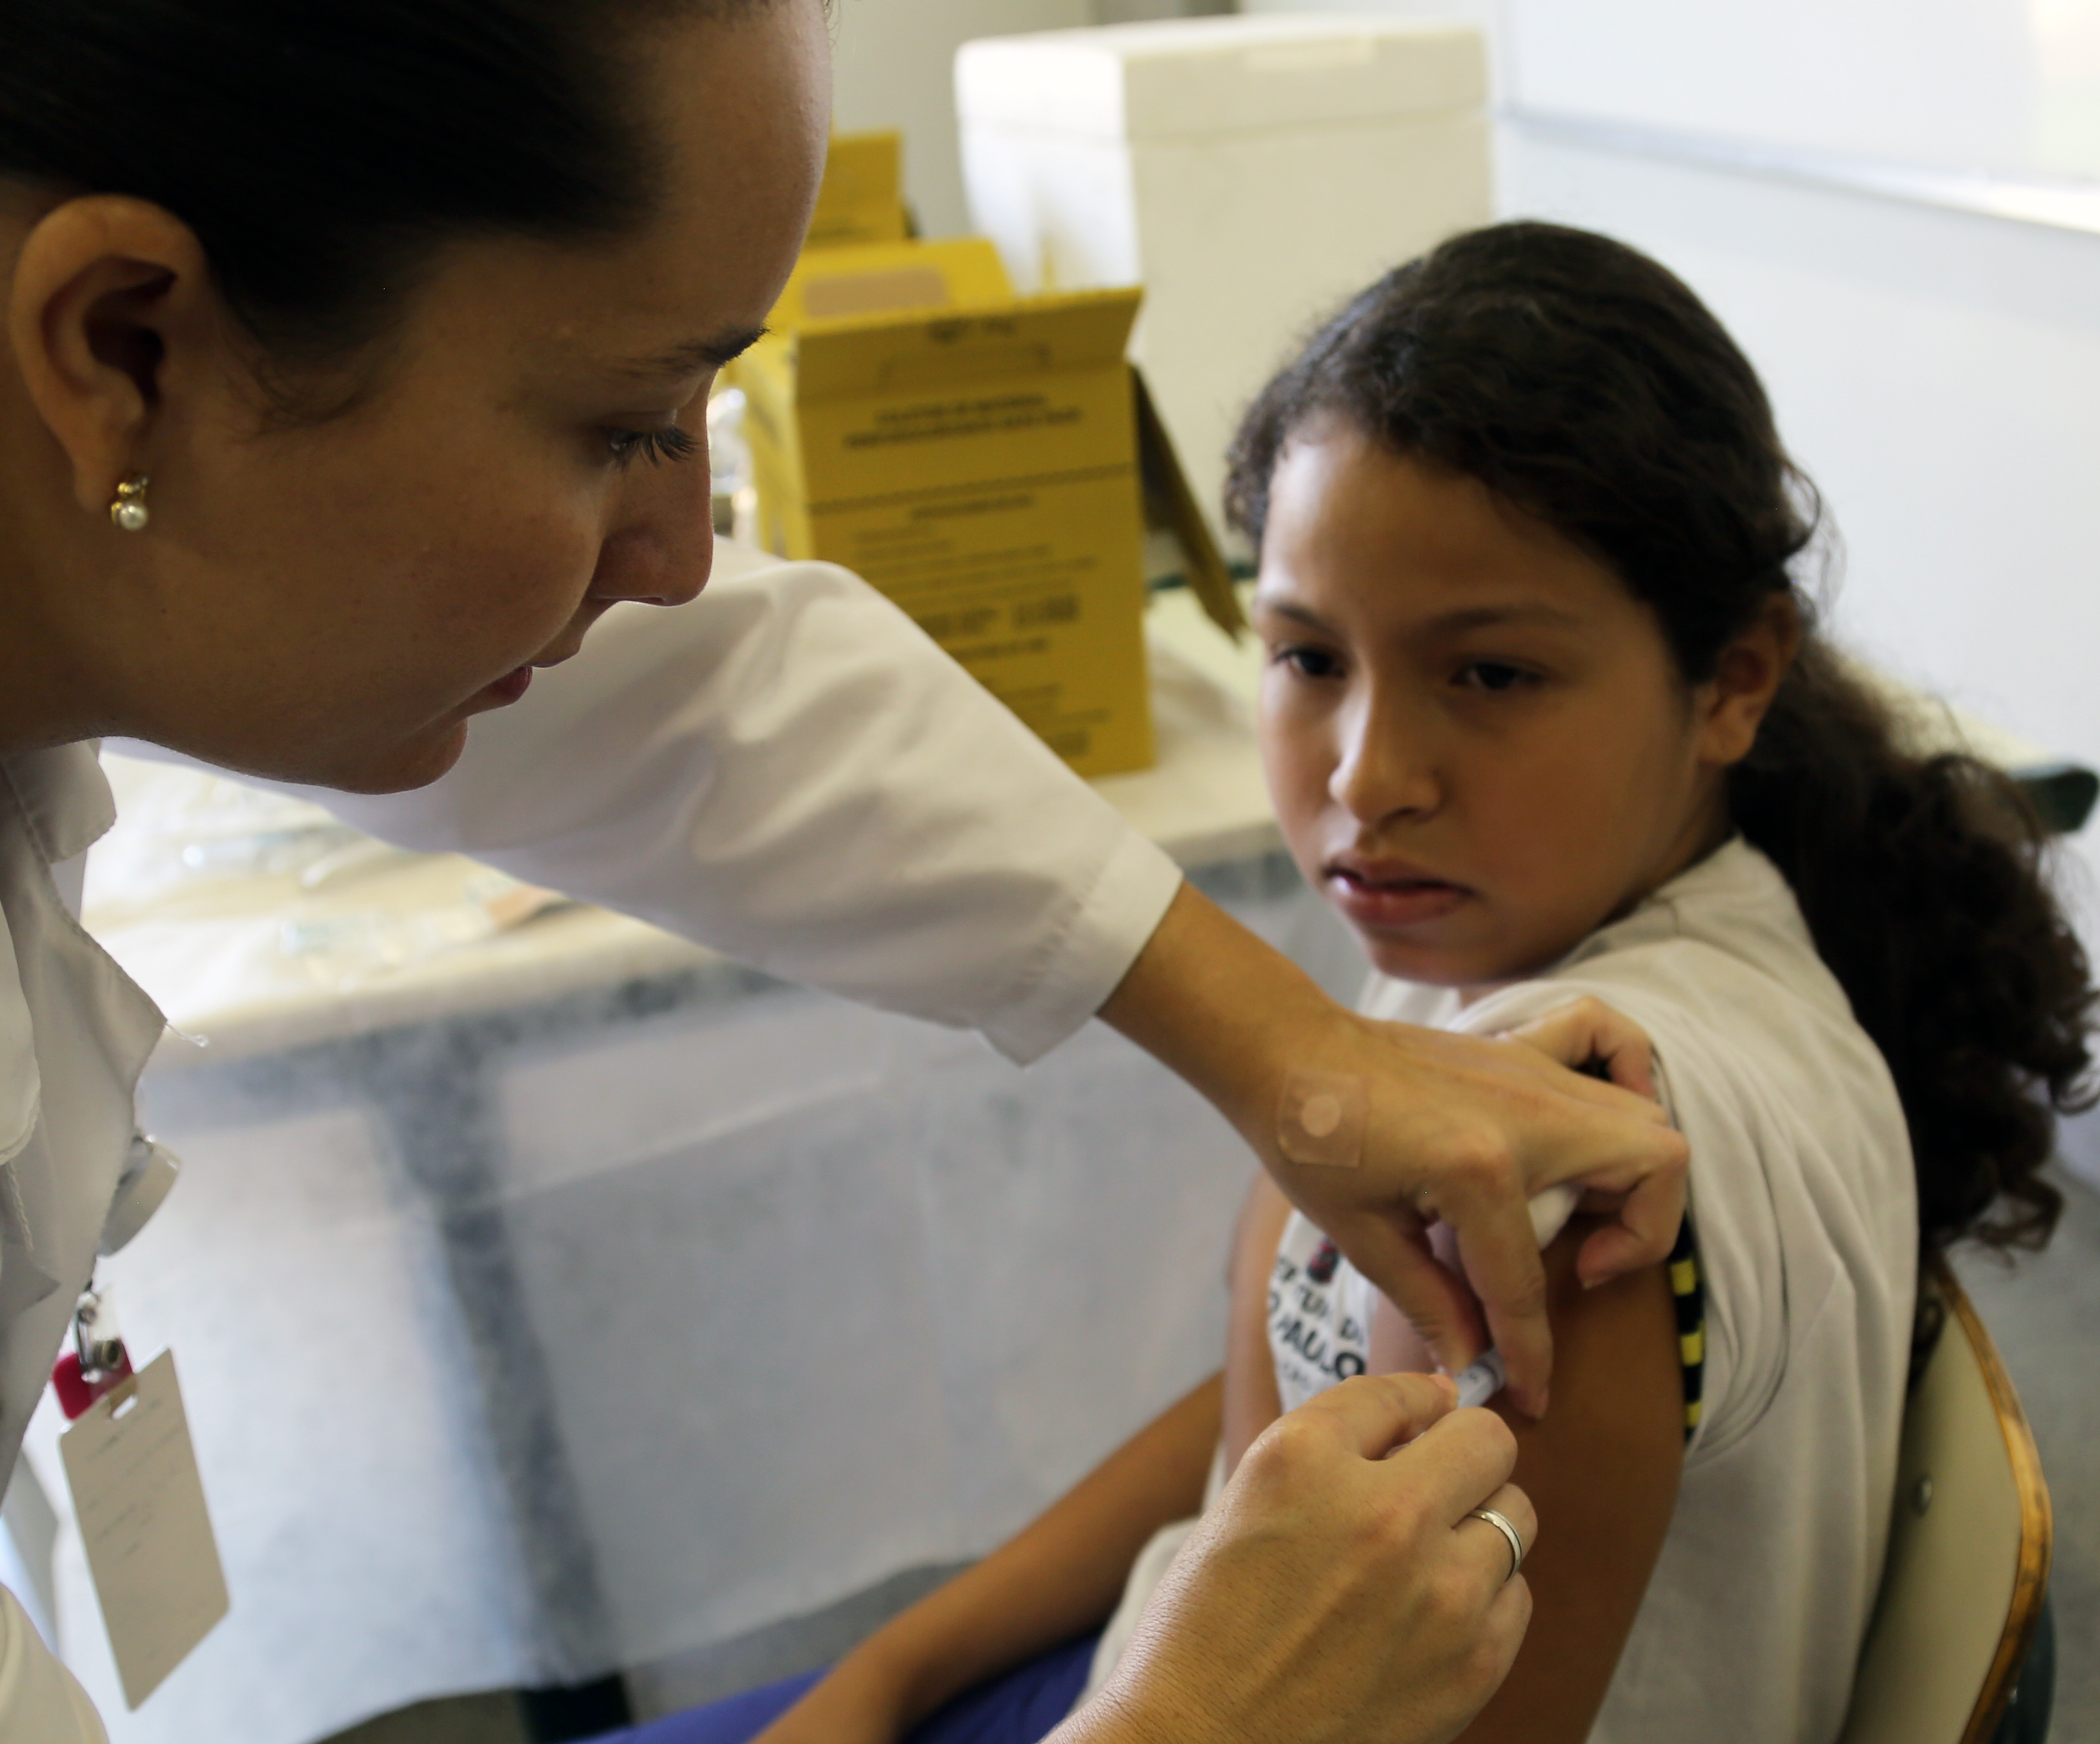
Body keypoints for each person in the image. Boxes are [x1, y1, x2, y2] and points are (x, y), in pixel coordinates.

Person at [0, 6, 1691, 1737]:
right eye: (624, 424)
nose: (685, 547)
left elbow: (697, 697)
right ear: (122, 348)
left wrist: (1294, 1052)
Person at [653, 223, 2094, 1744]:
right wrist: (887, 1672)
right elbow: (1277, 1423)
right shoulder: (1526, 940)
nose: (1366, 776)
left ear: (1733, 677)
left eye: (1487, 674)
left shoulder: (1565, 1163)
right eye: (1304, 656)